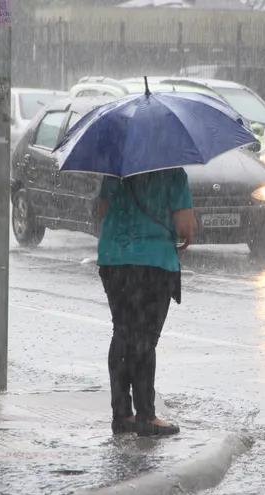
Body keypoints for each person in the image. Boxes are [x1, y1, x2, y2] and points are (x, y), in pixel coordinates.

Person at [97, 168, 196, 437]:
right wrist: (184, 233)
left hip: (113, 258)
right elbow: (184, 225)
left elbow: (102, 210)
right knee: (144, 339)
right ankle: (145, 416)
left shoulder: (115, 170)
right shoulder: (172, 172)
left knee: (122, 331)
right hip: (152, 263)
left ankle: (121, 414)